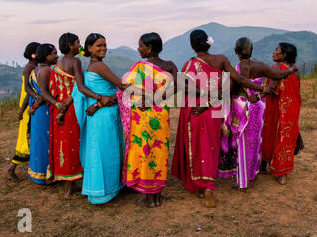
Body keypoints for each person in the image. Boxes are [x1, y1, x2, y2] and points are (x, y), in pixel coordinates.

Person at [171, 30, 296, 208]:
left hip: (194, 108)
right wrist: (261, 89)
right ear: (209, 43)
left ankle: (199, 186)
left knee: (197, 147)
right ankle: (209, 187)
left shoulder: (188, 64)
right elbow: (239, 79)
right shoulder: (221, 59)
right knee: (211, 147)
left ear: (192, 46)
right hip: (214, 108)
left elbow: (183, 87)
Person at [218, 37, 294, 190]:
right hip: (258, 107)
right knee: (254, 142)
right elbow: (278, 76)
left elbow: (228, 91)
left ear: (235, 51)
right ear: (251, 50)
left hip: (241, 108)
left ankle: (242, 180)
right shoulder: (261, 66)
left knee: (241, 144)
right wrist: (291, 69)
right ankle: (251, 174)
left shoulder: (235, 69)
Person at [117, 32, 178, 208]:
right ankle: (157, 195)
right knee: (159, 153)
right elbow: (178, 86)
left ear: (149, 48)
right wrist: (157, 99)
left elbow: (125, 88)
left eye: (141, 46)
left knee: (144, 152)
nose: (138, 49)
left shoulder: (138, 67)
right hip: (161, 114)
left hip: (143, 115)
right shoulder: (170, 65)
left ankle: (148, 196)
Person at [72, 33, 130, 204]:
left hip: (98, 114)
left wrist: (99, 102)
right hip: (104, 117)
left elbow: (108, 93)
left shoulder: (91, 67)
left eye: (105, 45)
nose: (104, 48)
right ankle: (106, 190)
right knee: (107, 151)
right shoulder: (99, 67)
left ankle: (103, 188)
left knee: (100, 151)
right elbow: (121, 86)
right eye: (99, 45)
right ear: (89, 48)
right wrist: (147, 87)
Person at [46, 33, 84, 199]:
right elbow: (79, 87)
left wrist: (59, 108)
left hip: (59, 107)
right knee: (74, 146)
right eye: (78, 42)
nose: (80, 45)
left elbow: (53, 89)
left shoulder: (58, 64)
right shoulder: (75, 62)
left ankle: (70, 184)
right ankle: (69, 189)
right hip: (71, 108)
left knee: (64, 145)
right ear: (70, 45)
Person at [261, 42, 302, 185]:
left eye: (276, 50)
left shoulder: (278, 68)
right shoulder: (295, 70)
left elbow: (271, 88)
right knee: (286, 136)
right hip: (292, 109)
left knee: (270, 132)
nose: (273, 52)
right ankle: (282, 172)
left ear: (283, 55)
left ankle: (265, 165)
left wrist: (255, 91)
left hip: (277, 108)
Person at [5, 42, 40, 181]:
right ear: (33, 54)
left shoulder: (35, 66)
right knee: (27, 138)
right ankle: (11, 167)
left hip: (31, 102)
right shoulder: (30, 68)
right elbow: (27, 90)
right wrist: (22, 110)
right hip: (28, 104)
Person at [28, 43, 62, 184]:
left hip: (37, 110)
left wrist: (33, 105)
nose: (57, 56)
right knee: (46, 141)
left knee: (39, 140)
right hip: (44, 110)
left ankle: (38, 172)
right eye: (54, 53)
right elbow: (44, 93)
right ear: (47, 56)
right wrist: (36, 105)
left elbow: (30, 89)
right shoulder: (47, 70)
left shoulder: (36, 69)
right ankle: (46, 173)